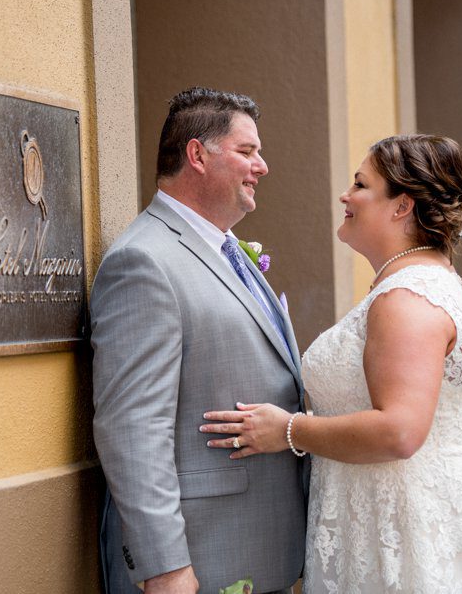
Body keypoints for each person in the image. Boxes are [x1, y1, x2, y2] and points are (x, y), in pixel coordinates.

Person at [201, 134, 462, 592]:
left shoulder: (408, 299)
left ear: (402, 206)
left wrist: (289, 430)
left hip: (418, 531)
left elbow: (399, 431)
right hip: (400, 515)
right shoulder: (421, 284)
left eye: (361, 184)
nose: (346, 195)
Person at [91, 87, 307, 594]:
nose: (264, 167)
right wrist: (164, 566)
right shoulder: (143, 261)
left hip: (259, 551)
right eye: (247, 152)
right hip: (199, 562)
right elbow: (132, 426)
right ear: (197, 155)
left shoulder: (225, 249)